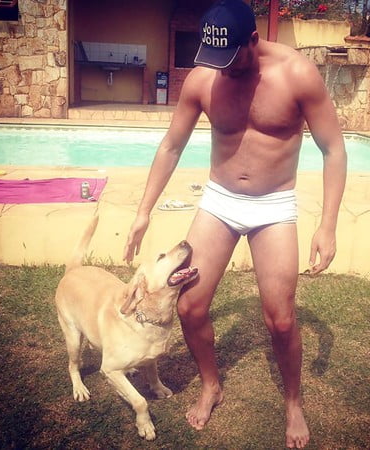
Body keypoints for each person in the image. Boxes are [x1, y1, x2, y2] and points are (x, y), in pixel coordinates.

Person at [124, 0, 347, 447]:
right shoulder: (204, 78)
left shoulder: (297, 74)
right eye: (215, 59)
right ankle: (211, 384)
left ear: (253, 40)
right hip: (220, 201)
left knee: (280, 319)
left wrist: (327, 225)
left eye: (231, 58)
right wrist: (143, 211)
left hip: (273, 205)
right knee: (190, 306)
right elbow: (171, 146)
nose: (222, 69)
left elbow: (333, 149)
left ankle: (293, 403)